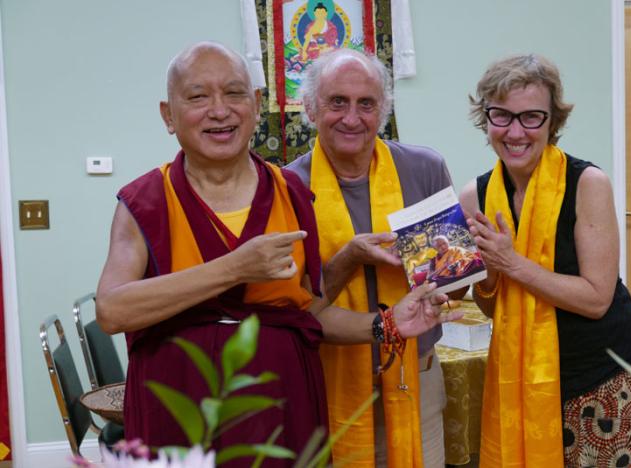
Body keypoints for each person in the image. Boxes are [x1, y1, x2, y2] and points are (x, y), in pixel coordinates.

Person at [95, 41, 458, 466]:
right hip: (179, 408)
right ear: (168, 115)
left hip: (283, 406)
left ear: (256, 104)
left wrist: (387, 325)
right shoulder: (146, 200)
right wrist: (233, 268)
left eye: (233, 94)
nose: (219, 110)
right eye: (198, 97)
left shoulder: (289, 192)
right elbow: (112, 311)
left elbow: (307, 310)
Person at [459, 54, 631, 467]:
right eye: (502, 115)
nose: (515, 132)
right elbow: (490, 306)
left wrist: (511, 262)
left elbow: (595, 299)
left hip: (605, 382)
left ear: (553, 122)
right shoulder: (474, 197)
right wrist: (490, 274)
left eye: (531, 117)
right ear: (486, 118)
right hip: (521, 389)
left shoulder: (587, 183)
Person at [286, 48, 456, 467]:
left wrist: (454, 267)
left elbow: (457, 280)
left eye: (366, 104)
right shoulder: (286, 186)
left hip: (415, 376)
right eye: (337, 102)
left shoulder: (425, 168)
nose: (351, 117)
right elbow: (294, 307)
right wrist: (348, 259)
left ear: (383, 111)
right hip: (327, 384)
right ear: (309, 108)